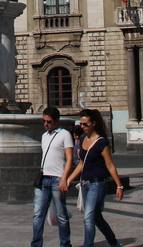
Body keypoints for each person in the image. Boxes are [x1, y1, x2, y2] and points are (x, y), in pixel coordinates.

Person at [66, 109, 123, 247]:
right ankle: (113, 242)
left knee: (89, 217)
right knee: (96, 217)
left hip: (97, 184)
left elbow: (110, 165)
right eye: (81, 124)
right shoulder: (84, 139)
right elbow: (81, 163)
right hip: (84, 184)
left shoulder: (101, 143)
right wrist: (69, 179)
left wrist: (119, 185)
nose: (83, 127)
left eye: (86, 124)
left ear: (94, 123)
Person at [31, 106, 74, 247]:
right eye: (44, 121)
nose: (46, 124)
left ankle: (65, 244)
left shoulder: (65, 134)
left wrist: (64, 178)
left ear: (56, 121)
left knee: (61, 215)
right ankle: (36, 244)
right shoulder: (44, 136)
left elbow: (69, 159)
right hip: (43, 179)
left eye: (49, 121)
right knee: (38, 214)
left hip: (57, 179)